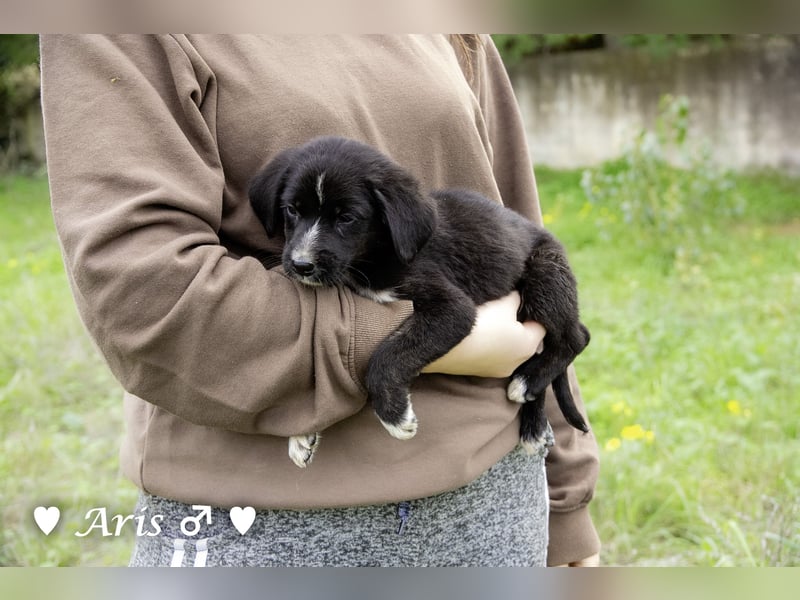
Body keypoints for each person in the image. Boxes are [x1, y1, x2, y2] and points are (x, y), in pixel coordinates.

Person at [40, 34, 600, 567]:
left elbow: (523, 243)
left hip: (494, 509)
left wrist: (566, 492)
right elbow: (146, 295)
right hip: (263, 521)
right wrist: (440, 344)